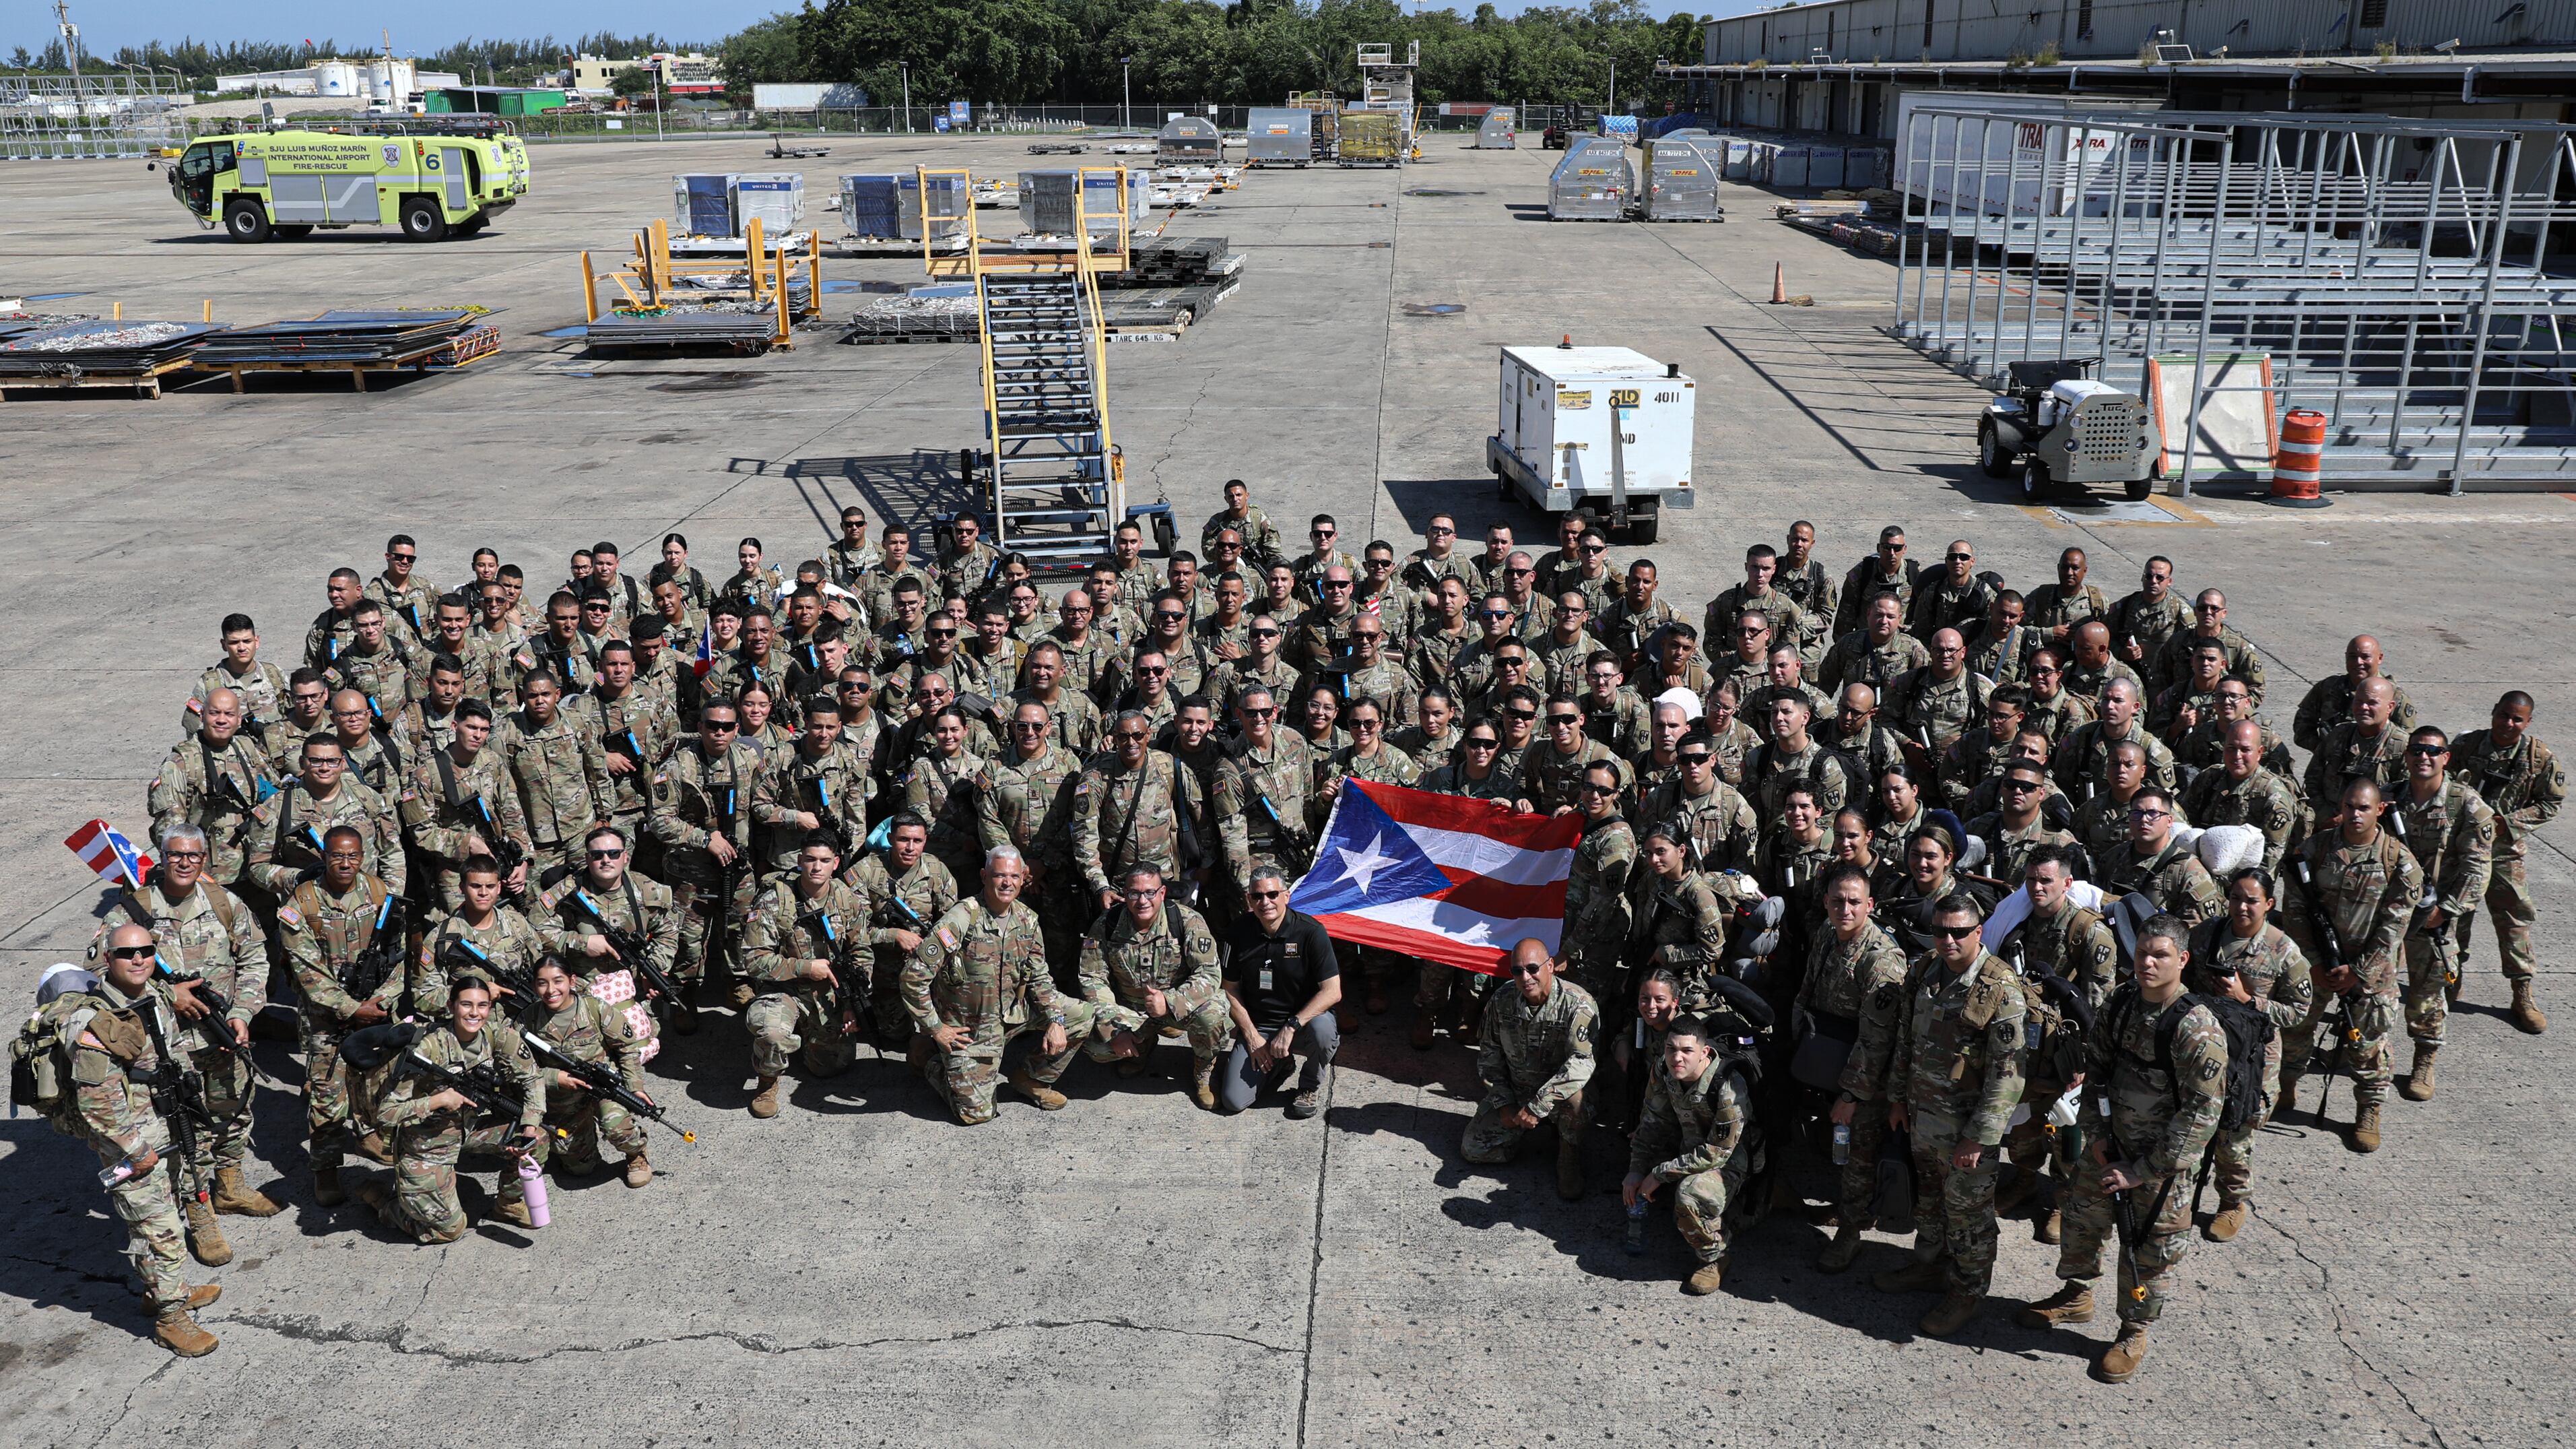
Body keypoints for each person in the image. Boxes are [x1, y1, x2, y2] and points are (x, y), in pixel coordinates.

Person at [2018, 914, 2226, 1384]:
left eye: (2160, 955)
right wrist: (2096, 1137)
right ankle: (2076, 1295)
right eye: (2142, 953)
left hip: (2161, 1164)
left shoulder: (2198, 1029)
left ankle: (2134, 1330)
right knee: (2081, 1218)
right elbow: (2095, 1072)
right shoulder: (2121, 1002)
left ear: (2182, 959)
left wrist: (2142, 1170)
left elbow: (2200, 1115)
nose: (2148, 963)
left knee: (2149, 1249)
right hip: (2109, 1146)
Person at [86, 825, 277, 1221]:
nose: (185, 863)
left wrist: (242, 1013)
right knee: (185, 1130)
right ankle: (197, 1207)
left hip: (222, 1036)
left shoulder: (225, 904)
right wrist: (168, 994)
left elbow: (255, 960)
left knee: (233, 1113)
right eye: (176, 854)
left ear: (205, 859)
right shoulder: (131, 912)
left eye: (193, 855)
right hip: (165, 1048)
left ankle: (230, 1186)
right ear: (162, 858)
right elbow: (99, 974)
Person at [49, 948, 226, 1354]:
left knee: (166, 1217)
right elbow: (97, 1103)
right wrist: (136, 1149)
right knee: (158, 1230)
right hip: (131, 1145)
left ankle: (163, 1290)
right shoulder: (95, 1025)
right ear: (108, 959)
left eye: (146, 952)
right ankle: (171, 1320)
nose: (138, 960)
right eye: (127, 954)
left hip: (163, 1128)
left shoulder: (155, 997)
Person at [1873, 895, 2027, 1338]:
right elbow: (1906, 1039)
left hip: (1965, 1130)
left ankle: (1967, 1291)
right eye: (1940, 930)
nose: (1948, 939)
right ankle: (1930, 1266)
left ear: (1978, 932)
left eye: (1959, 931)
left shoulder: (1999, 987)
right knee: (1930, 1204)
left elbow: (2009, 1074)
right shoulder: (1925, 969)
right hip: (1922, 1117)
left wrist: (1978, 1138)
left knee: (1968, 1216)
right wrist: (1897, 1099)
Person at [902, 847, 1096, 1124]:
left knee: (1081, 1015)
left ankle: (1031, 1078)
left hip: (1012, 1013)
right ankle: (933, 1061)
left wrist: (1056, 1020)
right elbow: (913, 977)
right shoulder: (962, 919)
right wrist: (936, 1028)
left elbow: (1039, 976)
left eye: (1014, 876)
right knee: (976, 1114)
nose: (1007, 883)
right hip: (971, 1027)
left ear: (1023, 878)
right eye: (999, 876)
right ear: (984, 876)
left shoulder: (1028, 920)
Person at [2278, 778, 2420, 1153]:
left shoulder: (2398, 861)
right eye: (2350, 806)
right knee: (2294, 1029)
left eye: (2364, 808)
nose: (2355, 814)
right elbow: (2294, 910)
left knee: (2369, 1045)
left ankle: (2368, 1110)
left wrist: (2358, 971)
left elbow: (2394, 926)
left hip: (2371, 974)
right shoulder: (2315, 850)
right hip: (2316, 965)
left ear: (2380, 810)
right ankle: (2285, 1087)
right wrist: (2312, 962)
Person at [362, 973, 548, 1241]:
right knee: (449, 1231)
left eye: (482, 1005)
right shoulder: (428, 1048)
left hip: (469, 1129)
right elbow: (386, 1113)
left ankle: (508, 1204)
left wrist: (529, 1125)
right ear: (451, 1006)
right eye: (466, 1005)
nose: (475, 1013)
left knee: (537, 1139)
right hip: (427, 1142)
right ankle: (386, 1205)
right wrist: (437, 1101)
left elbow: (532, 1078)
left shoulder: (497, 1035)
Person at [2190, 868, 2310, 1239]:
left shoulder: (2283, 951)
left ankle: (2232, 1203)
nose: (2242, 907)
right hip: (2205, 1044)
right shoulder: (2207, 934)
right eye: (2236, 898)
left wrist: (2247, 999)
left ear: (2269, 904)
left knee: (2235, 1133)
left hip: (2253, 1057)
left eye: (2252, 901)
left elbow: (2298, 1011)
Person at [1802, 864, 1910, 1272]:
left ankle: (1850, 1234)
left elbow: (1877, 1040)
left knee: (1857, 1158)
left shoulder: (1882, 961)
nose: (1844, 909)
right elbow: (1807, 990)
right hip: (1828, 1057)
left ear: (1870, 905)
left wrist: (1851, 1094)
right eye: (1837, 901)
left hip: (1867, 1077)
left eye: (1853, 902)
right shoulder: (1827, 933)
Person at [2449, 691, 2563, 1034]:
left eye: (2517, 719)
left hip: (2505, 852)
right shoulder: (2466, 746)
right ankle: (2451, 978)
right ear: (2494, 712)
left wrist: (2507, 823)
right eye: (2504, 715)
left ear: (2527, 723)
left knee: (2514, 921)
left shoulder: (2538, 758)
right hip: (2462, 849)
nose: (2508, 723)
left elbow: (2550, 803)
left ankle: (2522, 993)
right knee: (2455, 917)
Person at [2391, 727, 2495, 1101]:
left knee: (2428, 991)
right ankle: (2362, 1050)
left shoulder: (2466, 804)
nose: (2424, 757)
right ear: (2407, 756)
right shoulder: (2389, 798)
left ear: (2446, 758)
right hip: (2390, 911)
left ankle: (2424, 1060)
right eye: (2417, 750)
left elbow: (2477, 869)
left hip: (2434, 914)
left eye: (2433, 751)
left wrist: (2446, 911)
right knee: (2370, 985)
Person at [1078, 865, 1230, 1109]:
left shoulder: (1187, 920)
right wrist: (1114, 1027)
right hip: (1133, 1010)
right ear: (1125, 894)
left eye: (1150, 892)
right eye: (1134, 893)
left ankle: (1204, 1069)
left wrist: (1170, 1002)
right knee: (1096, 1047)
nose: (1142, 901)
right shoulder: (1106, 925)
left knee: (1212, 1016)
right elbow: (1093, 978)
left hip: (1178, 1007)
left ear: (1162, 893)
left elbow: (1209, 974)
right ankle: (1143, 1045)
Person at [1624, 1014, 1754, 1295]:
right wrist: (1636, 1169)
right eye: (1671, 1049)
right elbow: (1651, 1121)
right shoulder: (1663, 1068)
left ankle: (1714, 1258)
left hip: (1730, 1160)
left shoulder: (1728, 1087)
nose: (1677, 1058)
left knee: (1688, 1198)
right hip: (1688, 1148)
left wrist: (1659, 1174)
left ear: (1704, 1052)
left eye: (1687, 1051)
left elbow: (1717, 1153)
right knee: (1660, 1199)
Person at [1461, 938, 1599, 1200]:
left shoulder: (1578, 1004)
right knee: (1474, 1150)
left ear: (1550, 966)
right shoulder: (1502, 1000)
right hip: (1517, 1091)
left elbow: (1581, 1063)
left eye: (1533, 969)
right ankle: (1520, 1135)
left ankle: (1568, 1155)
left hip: (1559, 1096)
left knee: (1577, 1103)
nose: (1526, 978)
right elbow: (1489, 1055)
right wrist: (1503, 1102)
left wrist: (1538, 1106)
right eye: (1517, 971)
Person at [739, 834, 867, 1116]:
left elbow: (862, 952)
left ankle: (803, 1036)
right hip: (784, 989)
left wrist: (852, 1003)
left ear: (836, 863)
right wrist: (806, 968)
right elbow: (753, 960)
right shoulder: (775, 901)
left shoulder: (846, 900)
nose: (817, 867)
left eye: (824, 860)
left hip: (828, 992)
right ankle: (767, 1080)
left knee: (831, 1066)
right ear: (800, 861)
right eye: (810, 859)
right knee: (772, 1033)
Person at [525, 957, 655, 1188]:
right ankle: (580, 1137)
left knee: (616, 1127)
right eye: (542, 983)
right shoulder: (528, 1020)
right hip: (563, 1096)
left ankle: (636, 1153)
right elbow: (520, 1069)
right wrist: (554, 1077)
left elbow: (626, 1049)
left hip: (603, 1087)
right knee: (581, 1168)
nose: (551, 990)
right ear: (535, 986)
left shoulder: (595, 1008)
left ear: (572, 981)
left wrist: (635, 1087)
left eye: (558, 981)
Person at [148, 687, 275, 893]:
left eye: (229, 714)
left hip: (253, 869)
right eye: (215, 713)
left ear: (239, 719)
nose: (222, 720)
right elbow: (169, 832)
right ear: (202, 715)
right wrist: (191, 874)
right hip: (209, 879)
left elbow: (275, 795)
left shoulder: (245, 747)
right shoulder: (181, 763)